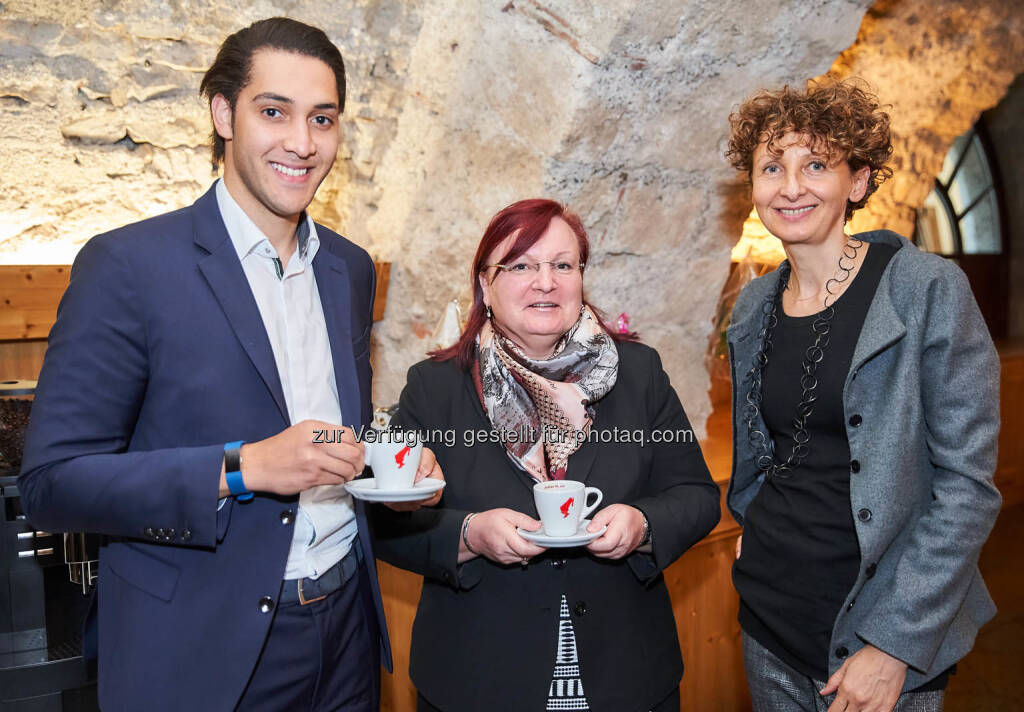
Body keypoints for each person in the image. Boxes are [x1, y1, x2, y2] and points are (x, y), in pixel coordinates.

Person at [19, 17, 442, 712]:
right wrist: (241, 468)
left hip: (347, 636)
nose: (302, 144)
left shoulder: (350, 268)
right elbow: (53, 484)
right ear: (223, 113)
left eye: (323, 119)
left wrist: (389, 475)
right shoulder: (128, 266)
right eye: (274, 112)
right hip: (200, 651)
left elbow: (329, 442)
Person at [370, 199, 721, 711]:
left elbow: (697, 495)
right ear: (485, 285)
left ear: (581, 277)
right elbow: (384, 520)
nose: (545, 281)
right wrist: (470, 535)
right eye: (521, 266)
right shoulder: (435, 388)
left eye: (562, 265)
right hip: (480, 677)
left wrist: (643, 523)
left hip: (625, 671)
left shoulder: (639, 372)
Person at [724, 80, 1001, 712]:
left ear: (857, 181)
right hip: (769, 622)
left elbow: (967, 487)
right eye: (773, 167)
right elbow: (769, 450)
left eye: (815, 165)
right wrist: (758, 527)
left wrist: (896, 645)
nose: (791, 186)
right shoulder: (754, 306)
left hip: (878, 633)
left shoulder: (925, 290)